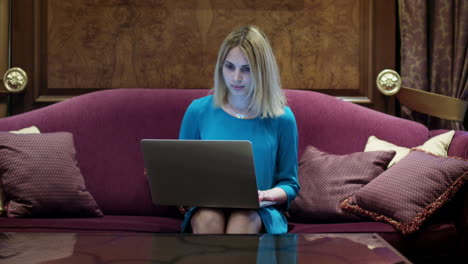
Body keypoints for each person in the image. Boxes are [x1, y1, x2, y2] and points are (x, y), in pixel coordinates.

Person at [179, 25, 299, 234]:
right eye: (229, 66)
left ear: (262, 71)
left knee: (242, 220)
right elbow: (181, 172)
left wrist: (268, 194)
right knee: (208, 218)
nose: (236, 78)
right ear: (220, 67)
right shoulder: (198, 111)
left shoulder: (282, 118)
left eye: (246, 69)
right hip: (208, 206)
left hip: (258, 210)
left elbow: (290, 184)